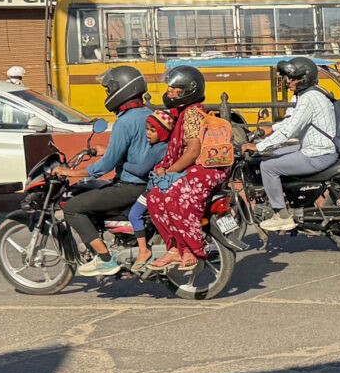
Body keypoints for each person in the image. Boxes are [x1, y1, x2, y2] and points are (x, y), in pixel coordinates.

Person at [51, 66, 167, 277]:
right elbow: (137, 151)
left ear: (122, 89)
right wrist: (106, 150)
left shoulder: (124, 122)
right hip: (145, 184)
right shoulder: (148, 114)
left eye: (109, 90)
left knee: (73, 207)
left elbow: (105, 166)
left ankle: (105, 259)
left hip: (130, 186)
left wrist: (72, 173)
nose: (107, 94)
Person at [144, 67, 230, 271]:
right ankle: (174, 247)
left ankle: (191, 248)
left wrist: (169, 171)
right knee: (154, 197)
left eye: (174, 89)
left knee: (176, 196)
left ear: (189, 90)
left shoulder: (191, 114)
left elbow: (192, 152)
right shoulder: (182, 113)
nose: (169, 92)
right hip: (194, 168)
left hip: (206, 169)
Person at [245, 57, 339, 234]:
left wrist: (259, 147)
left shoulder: (310, 98)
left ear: (303, 78)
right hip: (315, 148)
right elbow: (292, 122)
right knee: (275, 153)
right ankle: (291, 197)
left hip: (318, 153)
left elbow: (290, 130)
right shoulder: (313, 93)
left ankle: (282, 216)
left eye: (292, 78)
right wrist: (271, 129)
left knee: (268, 166)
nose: (288, 82)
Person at [124, 110, 179, 273]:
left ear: (162, 132)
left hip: (154, 189)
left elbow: (141, 169)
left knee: (134, 214)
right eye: (147, 129)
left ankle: (143, 251)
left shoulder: (158, 149)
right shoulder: (169, 146)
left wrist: (122, 163)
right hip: (168, 187)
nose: (148, 133)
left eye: (153, 130)